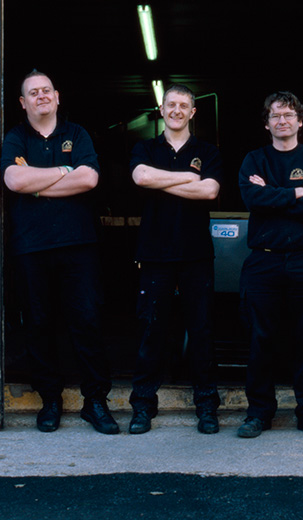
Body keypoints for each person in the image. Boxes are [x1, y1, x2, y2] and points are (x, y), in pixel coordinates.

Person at [0, 70, 119, 435]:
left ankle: (95, 402)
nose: (41, 97)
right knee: (38, 324)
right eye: (33, 93)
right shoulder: (16, 138)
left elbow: (89, 178)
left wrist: (38, 185)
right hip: (31, 247)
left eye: (46, 91)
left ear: (57, 96)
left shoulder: (77, 134)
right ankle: (50, 400)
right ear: (23, 102)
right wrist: (64, 172)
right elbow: (14, 181)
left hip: (78, 245)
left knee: (87, 322)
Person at [237, 91, 303, 439]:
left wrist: (273, 194)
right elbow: (252, 199)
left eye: (289, 115)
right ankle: (259, 413)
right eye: (276, 115)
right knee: (261, 339)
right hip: (263, 261)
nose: (282, 121)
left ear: (300, 121)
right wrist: (295, 193)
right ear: (267, 124)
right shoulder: (254, 159)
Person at [128, 84, 222, 434]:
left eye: (184, 105)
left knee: (201, 331)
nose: (177, 110)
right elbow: (140, 176)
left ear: (193, 112)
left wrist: (159, 181)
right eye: (171, 104)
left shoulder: (207, 151)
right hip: (155, 255)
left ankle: (207, 407)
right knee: (151, 331)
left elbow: (210, 190)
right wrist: (186, 178)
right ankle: (142, 407)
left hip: (196, 254)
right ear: (162, 108)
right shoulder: (146, 147)